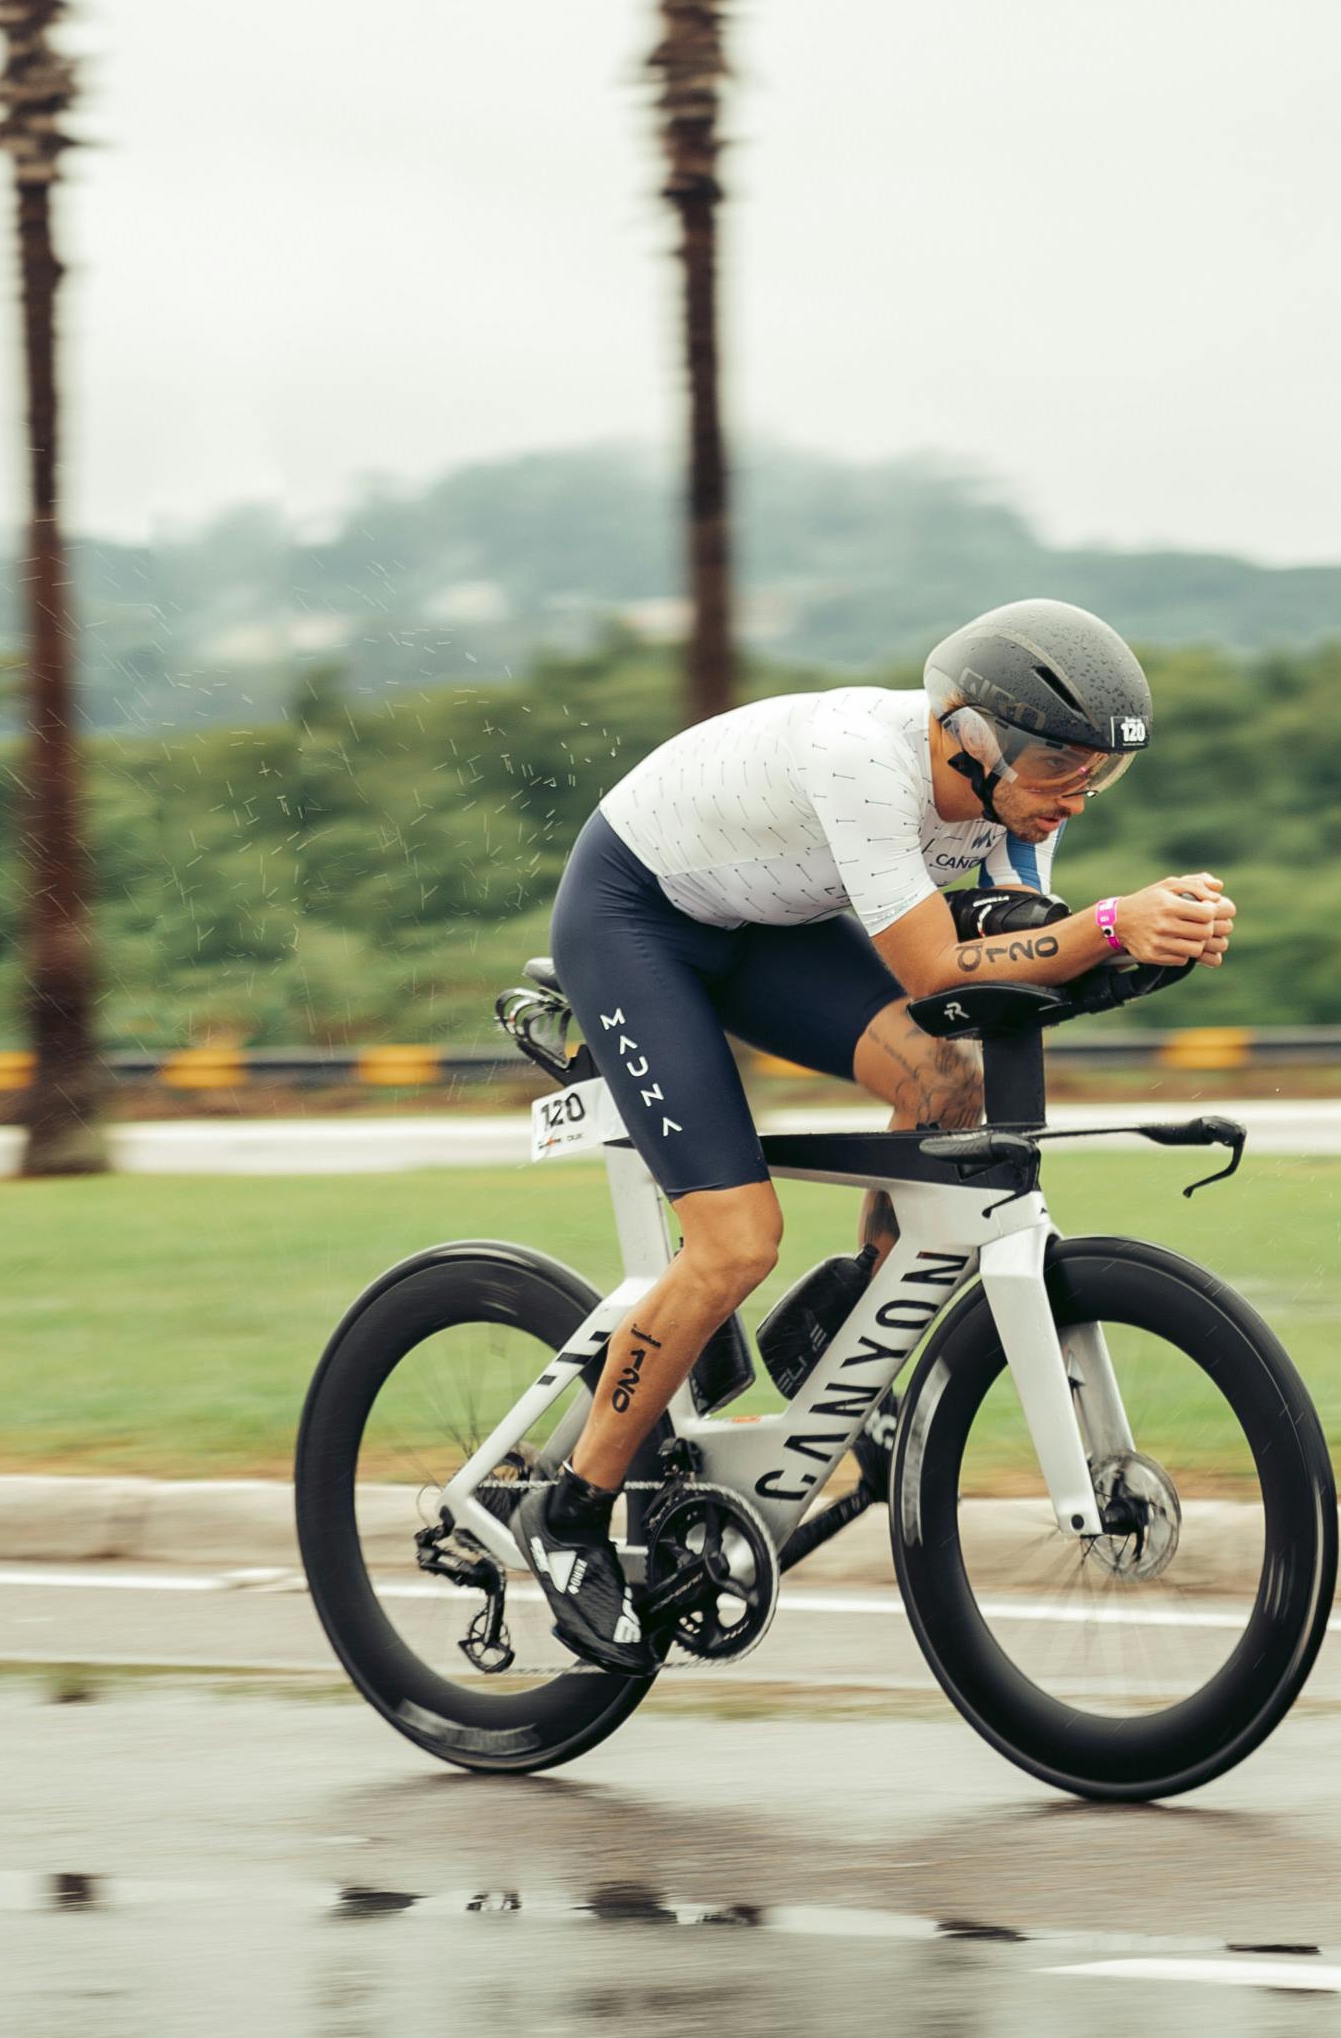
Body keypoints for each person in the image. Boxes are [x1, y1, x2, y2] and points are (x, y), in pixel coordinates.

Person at [511, 598, 1235, 1662]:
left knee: (944, 1089)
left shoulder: (1028, 789)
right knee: (735, 1242)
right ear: (969, 737)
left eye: (1098, 773)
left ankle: (847, 1324)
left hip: (763, 926)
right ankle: (567, 1511)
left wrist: (1131, 954)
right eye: (1058, 769)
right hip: (634, 919)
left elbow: (1012, 952)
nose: (1074, 793)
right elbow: (939, 969)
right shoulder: (865, 762)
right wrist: (1111, 926)